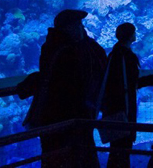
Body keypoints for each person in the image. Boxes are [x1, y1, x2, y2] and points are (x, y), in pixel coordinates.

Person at [21, 9, 107, 168]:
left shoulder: (56, 46)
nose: (82, 28)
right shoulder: (67, 51)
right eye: (78, 24)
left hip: (60, 116)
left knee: (56, 156)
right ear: (68, 27)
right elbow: (71, 84)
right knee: (68, 155)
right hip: (65, 116)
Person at [100, 22, 153, 168]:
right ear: (131, 35)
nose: (135, 34)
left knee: (116, 148)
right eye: (134, 31)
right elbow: (132, 83)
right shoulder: (126, 56)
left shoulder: (114, 54)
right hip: (124, 109)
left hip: (114, 108)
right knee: (123, 147)